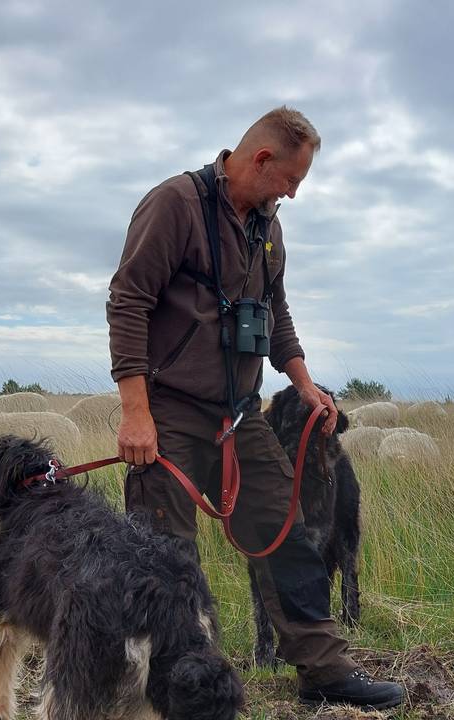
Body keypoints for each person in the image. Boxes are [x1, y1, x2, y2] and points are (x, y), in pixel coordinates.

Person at [105, 107, 405, 710]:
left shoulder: (269, 226)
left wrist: (305, 382)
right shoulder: (174, 205)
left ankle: (324, 672)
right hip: (171, 415)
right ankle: (180, 691)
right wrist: (136, 412)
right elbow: (127, 301)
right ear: (261, 160)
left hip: (242, 415)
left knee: (286, 533)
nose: (294, 193)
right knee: (167, 558)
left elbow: (277, 315)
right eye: (291, 180)